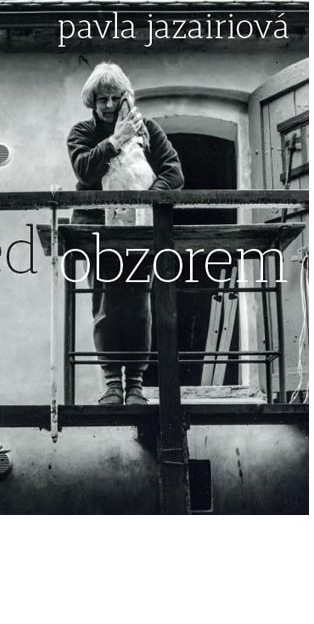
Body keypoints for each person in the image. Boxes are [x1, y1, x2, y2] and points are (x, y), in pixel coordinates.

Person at [66, 62, 184, 405]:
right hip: (98, 232)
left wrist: (147, 197)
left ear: (125, 98)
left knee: (138, 306)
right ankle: (111, 385)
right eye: (101, 98)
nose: (108, 105)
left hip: (140, 232)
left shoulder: (148, 131)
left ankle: (134, 385)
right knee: (105, 304)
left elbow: (174, 173)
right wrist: (116, 140)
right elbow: (85, 171)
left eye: (114, 97)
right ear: (92, 101)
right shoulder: (82, 133)